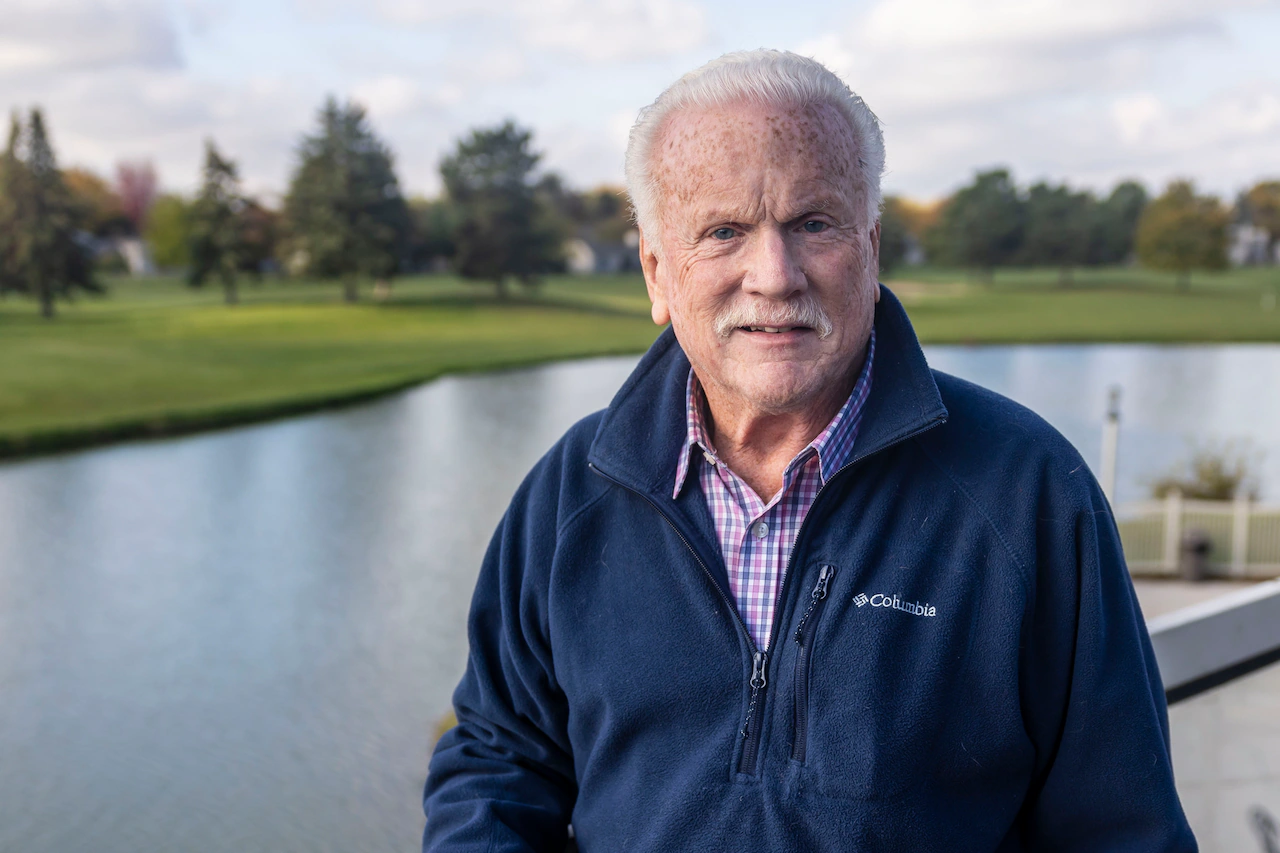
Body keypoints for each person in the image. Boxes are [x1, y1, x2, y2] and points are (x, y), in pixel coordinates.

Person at [423, 50, 1196, 852]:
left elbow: (1121, 830)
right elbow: (497, 761)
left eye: (813, 224)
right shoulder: (569, 492)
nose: (774, 275)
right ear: (656, 273)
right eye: (724, 231)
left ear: (870, 245)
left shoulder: (1031, 494)